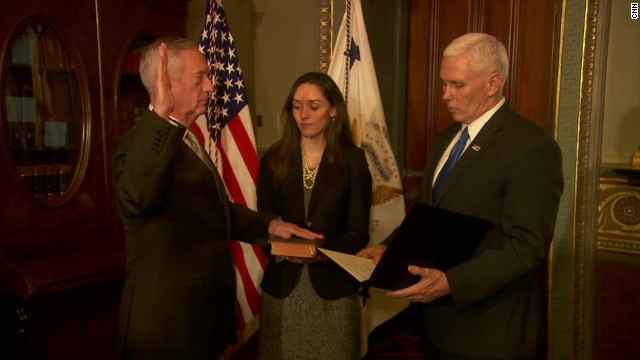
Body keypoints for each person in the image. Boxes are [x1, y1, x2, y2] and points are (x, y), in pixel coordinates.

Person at [358, 33, 564, 359]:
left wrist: (452, 282)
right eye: (444, 83)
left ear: (492, 83)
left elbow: (527, 246)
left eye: (457, 85)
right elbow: (428, 216)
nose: (445, 95)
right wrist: (388, 249)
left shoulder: (532, 148)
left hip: (490, 332)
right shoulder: (445, 139)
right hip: (437, 325)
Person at [112, 38, 321, 359]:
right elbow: (137, 198)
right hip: (166, 330)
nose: (211, 86)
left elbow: (212, 211)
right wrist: (160, 114)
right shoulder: (137, 144)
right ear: (167, 83)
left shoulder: (188, 141)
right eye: (200, 78)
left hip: (199, 321)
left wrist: (271, 227)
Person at [257, 72, 372, 359]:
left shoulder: (353, 160)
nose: (303, 115)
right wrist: (283, 247)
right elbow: (262, 223)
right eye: (297, 106)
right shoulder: (273, 159)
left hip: (333, 290)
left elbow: (358, 232)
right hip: (283, 288)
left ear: (333, 110)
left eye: (314, 106)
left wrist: (322, 253)